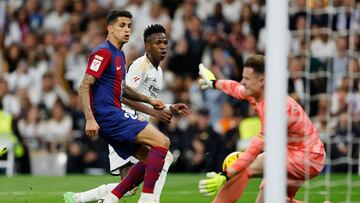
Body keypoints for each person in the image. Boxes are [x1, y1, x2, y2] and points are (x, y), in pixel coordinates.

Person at [64, 24, 190, 203]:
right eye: (158, 43)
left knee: (133, 182)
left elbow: (150, 100)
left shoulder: (158, 71)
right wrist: (154, 113)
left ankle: (82, 198)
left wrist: (169, 108)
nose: (163, 46)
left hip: (135, 125)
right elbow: (121, 94)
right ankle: (150, 199)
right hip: (123, 122)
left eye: (165, 43)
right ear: (147, 46)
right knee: (163, 154)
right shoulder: (140, 65)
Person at [198, 55, 325, 203]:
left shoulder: (276, 108)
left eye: (246, 79)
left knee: (244, 167)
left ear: (261, 81)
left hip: (307, 157)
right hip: (291, 154)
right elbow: (235, 88)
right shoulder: (256, 93)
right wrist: (214, 83)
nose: (242, 82)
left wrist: (225, 175)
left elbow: (254, 149)